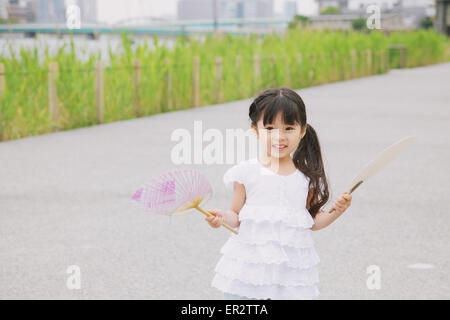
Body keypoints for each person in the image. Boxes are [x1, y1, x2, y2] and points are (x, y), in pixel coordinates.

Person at [205, 87, 352, 300]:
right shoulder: (246, 172)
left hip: (291, 272)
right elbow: (235, 216)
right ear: (255, 131)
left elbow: (312, 221)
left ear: (302, 131)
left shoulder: (306, 178)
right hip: (250, 269)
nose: (279, 137)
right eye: (270, 128)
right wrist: (221, 218)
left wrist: (337, 210)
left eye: (289, 128)